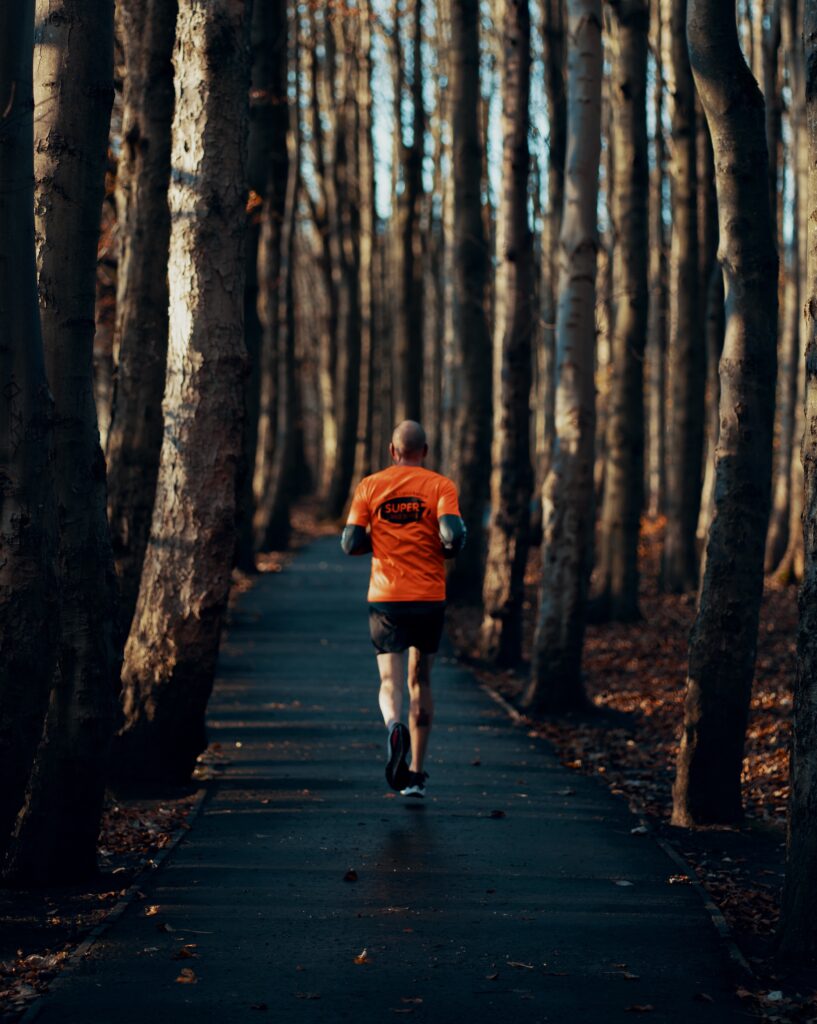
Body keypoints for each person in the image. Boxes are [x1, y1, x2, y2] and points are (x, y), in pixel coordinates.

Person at [341, 421, 466, 799]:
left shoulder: (370, 486)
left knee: (389, 683)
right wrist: (445, 549)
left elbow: (350, 542)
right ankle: (415, 772)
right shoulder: (441, 486)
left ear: (391, 450)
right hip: (428, 598)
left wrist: (376, 544)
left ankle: (394, 725)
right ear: (424, 450)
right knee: (421, 682)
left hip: (386, 597)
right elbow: (453, 536)